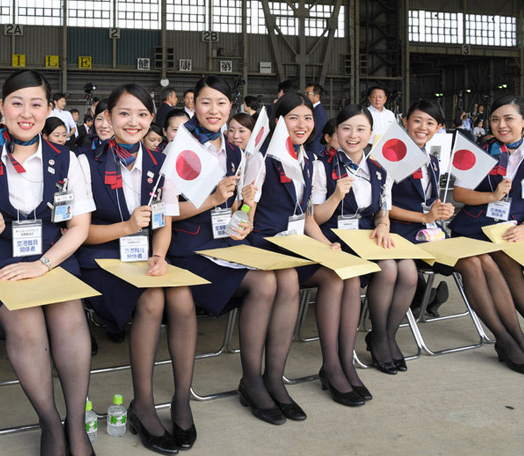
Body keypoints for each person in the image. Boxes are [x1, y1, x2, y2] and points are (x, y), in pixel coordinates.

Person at [0, 70, 95, 456]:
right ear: (1, 108)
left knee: (70, 315)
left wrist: (43, 265)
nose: (26, 113)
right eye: (17, 103)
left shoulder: (68, 159)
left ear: (48, 110)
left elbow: (79, 227)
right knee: (26, 322)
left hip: (50, 257)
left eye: (36, 104)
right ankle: (50, 424)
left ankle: (76, 424)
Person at [76, 84, 197, 452]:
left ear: (152, 118)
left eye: (142, 114)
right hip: (101, 257)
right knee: (153, 299)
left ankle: (181, 399)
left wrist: (159, 254)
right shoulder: (85, 162)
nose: (133, 122)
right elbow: (80, 233)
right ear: (108, 117)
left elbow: (164, 223)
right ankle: (143, 405)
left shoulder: (161, 164)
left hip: (144, 258)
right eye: (124, 113)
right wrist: (127, 227)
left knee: (182, 297)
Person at [390, 99, 524, 375]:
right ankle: (507, 341)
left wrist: (437, 210)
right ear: (405, 121)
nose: (423, 127)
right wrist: (425, 217)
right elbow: (381, 206)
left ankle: (514, 339)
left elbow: (425, 202)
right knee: (476, 262)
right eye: (417, 120)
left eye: (430, 123)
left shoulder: (432, 160)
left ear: (439, 128)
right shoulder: (391, 155)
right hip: (402, 236)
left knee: (481, 260)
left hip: (431, 235)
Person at [168, 76, 287, 426]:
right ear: (193, 105)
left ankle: (253, 379)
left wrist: (244, 215)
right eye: (206, 102)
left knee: (270, 280)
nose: (214, 110)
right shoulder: (179, 147)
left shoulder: (235, 152)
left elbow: (233, 207)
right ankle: (232, 385)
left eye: (221, 103)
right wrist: (213, 200)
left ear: (230, 107)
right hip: (188, 248)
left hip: (225, 243)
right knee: (263, 283)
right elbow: (164, 211)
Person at [242, 92, 364, 414]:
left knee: (340, 275)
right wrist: (245, 213)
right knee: (286, 281)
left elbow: (306, 216)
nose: (302, 124)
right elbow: (246, 209)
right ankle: (264, 380)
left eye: (308, 118)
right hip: (264, 242)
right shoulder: (263, 157)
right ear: (278, 121)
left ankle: (333, 366)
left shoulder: (307, 160)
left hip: (296, 244)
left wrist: (325, 245)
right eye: (293, 117)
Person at [450, 95, 524, 368]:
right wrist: (492, 196)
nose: (501, 125)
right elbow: (459, 194)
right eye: (495, 119)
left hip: (514, 227)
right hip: (477, 226)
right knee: (507, 261)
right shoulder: (480, 150)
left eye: (508, 119)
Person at [312, 104, 394, 392]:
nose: (353, 135)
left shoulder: (379, 169)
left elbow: (382, 212)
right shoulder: (322, 165)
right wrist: (336, 196)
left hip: (363, 240)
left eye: (361, 129)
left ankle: (349, 359)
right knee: (349, 277)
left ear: (370, 133)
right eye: (346, 128)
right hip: (331, 241)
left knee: (393, 267)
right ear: (336, 132)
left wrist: (383, 226)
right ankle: (335, 364)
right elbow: (315, 218)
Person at [305, 84, 328, 154]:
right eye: (304, 94)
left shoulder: (319, 112)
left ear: (317, 96)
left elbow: (315, 133)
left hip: (314, 150)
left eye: (307, 94)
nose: (305, 96)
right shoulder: (313, 109)